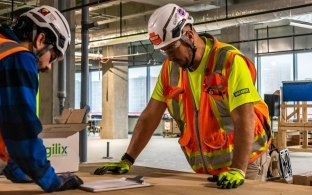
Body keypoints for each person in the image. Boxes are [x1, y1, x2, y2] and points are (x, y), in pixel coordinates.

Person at [94, 3, 272, 189]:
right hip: (208, 168)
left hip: (246, 162)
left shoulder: (229, 62)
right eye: (164, 51)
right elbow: (150, 117)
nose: (169, 57)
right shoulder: (171, 70)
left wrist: (238, 169)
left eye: (171, 48)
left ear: (188, 35)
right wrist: (127, 159)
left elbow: (245, 117)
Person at [0, 5, 83, 192]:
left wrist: (17, 170)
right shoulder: (18, 57)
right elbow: (21, 128)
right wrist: (50, 179)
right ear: (40, 39)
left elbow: (5, 125)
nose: (48, 67)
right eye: (52, 56)